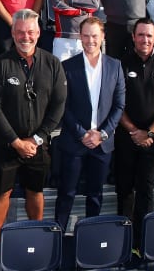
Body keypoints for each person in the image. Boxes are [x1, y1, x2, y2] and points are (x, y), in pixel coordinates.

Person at [0, 9, 66, 243]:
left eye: (30, 32)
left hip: (37, 146)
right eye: (20, 32)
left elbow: (58, 106)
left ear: (39, 32)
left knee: (36, 191)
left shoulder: (53, 64)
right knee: (1, 193)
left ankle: (35, 236)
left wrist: (36, 139)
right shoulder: (1, 64)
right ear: (12, 33)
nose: (25, 37)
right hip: (6, 143)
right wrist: (15, 141)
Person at [53, 17, 124, 230]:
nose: (90, 40)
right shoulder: (66, 66)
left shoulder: (115, 66)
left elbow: (119, 106)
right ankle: (57, 236)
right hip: (74, 142)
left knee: (95, 195)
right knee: (66, 193)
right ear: (80, 37)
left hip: (102, 144)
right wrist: (82, 134)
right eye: (86, 35)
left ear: (103, 37)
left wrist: (101, 134)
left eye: (95, 35)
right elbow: (62, 106)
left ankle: (90, 237)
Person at [115, 18, 154, 245]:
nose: (145, 39)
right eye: (141, 35)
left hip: (151, 140)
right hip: (125, 138)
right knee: (125, 189)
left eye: (149, 35)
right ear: (133, 37)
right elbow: (117, 103)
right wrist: (134, 131)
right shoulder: (121, 64)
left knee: (146, 191)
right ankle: (123, 239)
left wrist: (149, 133)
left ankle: (142, 240)